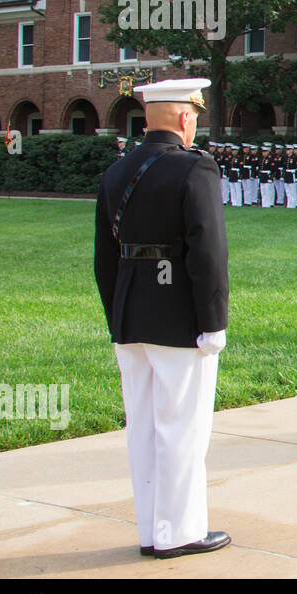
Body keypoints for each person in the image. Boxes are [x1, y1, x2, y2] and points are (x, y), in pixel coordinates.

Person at [92, 77, 230, 559]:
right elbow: (208, 254)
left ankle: (152, 530)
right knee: (182, 428)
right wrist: (213, 322)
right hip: (179, 319)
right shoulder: (196, 169)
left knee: (145, 430)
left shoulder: (117, 171)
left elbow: (104, 259)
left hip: (131, 316)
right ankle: (182, 532)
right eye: (196, 115)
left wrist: (117, 317)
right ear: (186, 117)